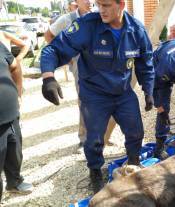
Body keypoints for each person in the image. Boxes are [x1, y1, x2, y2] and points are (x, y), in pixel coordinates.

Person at [40, 0, 154, 193]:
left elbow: (146, 62)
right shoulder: (87, 26)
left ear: (121, 5)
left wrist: (149, 91)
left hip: (123, 92)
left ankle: (133, 163)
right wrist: (48, 78)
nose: (101, 10)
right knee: (94, 140)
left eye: (106, 5)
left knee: (136, 132)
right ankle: (95, 172)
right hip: (94, 94)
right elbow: (54, 49)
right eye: (98, 4)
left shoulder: (136, 30)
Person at [44, 0, 93, 147]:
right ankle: (84, 138)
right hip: (79, 66)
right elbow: (49, 35)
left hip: (98, 64)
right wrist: (66, 57)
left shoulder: (98, 15)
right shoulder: (67, 19)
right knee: (84, 101)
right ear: (77, 1)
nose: (90, 1)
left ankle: (101, 136)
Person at [0, 42, 33, 202]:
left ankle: (14, 182)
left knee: (14, 151)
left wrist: (18, 89)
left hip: (11, 113)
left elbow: (14, 66)